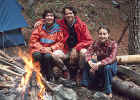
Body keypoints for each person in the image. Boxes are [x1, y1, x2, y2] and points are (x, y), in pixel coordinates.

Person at [34, 6, 93, 82]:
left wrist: (76, 48)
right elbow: (51, 20)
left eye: (70, 13)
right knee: (54, 54)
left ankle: (80, 72)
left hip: (79, 49)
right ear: (64, 16)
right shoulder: (61, 23)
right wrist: (42, 21)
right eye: (66, 14)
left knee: (84, 52)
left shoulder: (82, 25)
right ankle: (65, 70)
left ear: (74, 14)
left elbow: (89, 40)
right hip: (66, 49)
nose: (68, 15)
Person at [29, 9, 67, 81]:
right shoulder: (39, 27)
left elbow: (60, 42)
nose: (49, 17)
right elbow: (33, 40)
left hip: (50, 50)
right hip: (38, 49)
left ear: (54, 18)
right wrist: (41, 48)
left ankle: (48, 75)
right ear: (44, 18)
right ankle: (38, 74)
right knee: (37, 55)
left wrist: (51, 48)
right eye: (47, 16)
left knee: (48, 56)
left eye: (51, 16)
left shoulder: (58, 29)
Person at [82, 25, 118, 98]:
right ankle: (85, 84)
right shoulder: (96, 43)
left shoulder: (113, 44)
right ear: (98, 34)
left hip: (110, 67)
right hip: (99, 65)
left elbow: (111, 58)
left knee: (107, 67)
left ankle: (108, 91)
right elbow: (88, 52)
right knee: (87, 62)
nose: (102, 36)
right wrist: (89, 61)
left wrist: (99, 63)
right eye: (100, 34)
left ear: (108, 34)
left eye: (104, 34)